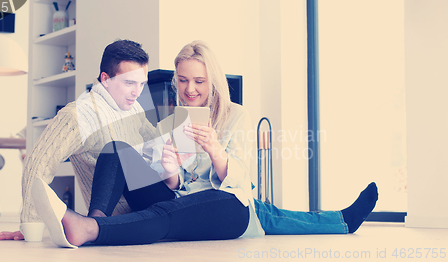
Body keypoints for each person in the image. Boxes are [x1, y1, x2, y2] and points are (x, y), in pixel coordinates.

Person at [29, 40, 378, 248]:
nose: (190, 89)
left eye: (198, 81)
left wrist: (216, 152)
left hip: (225, 206)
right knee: (116, 151)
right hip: (181, 202)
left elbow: (243, 185)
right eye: (182, 81)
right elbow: (174, 185)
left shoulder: (236, 116)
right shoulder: (171, 121)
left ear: (212, 81)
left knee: (257, 211)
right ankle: (98, 219)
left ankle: (91, 231)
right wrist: (168, 174)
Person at [0, 39, 156, 241]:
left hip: (153, 207)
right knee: (116, 151)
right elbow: (39, 163)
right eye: (129, 83)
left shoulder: (135, 108)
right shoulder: (79, 115)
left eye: (141, 84)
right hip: (115, 219)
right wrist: (31, 226)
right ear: (105, 79)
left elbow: (157, 143)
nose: (137, 92)